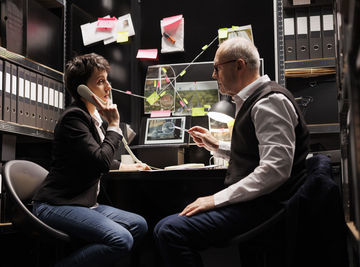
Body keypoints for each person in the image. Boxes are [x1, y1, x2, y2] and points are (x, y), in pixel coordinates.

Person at [153, 37, 310, 267]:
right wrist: (216, 146)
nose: (214, 75)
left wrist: (214, 200)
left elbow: (275, 170)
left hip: (266, 205)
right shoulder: (256, 101)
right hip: (258, 201)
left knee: (169, 231)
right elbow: (255, 153)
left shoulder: (269, 102)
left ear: (239, 65)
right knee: (163, 228)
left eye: (216, 68)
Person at [32, 53, 149, 267]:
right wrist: (113, 125)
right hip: (56, 204)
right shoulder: (74, 118)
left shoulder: (92, 119)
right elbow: (101, 161)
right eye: (100, 81)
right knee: (121, 239)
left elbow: (93, 157)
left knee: (139, 225)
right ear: (82, 90)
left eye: (107, 80)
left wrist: (126, 166)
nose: (109, 87)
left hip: (83, 204)